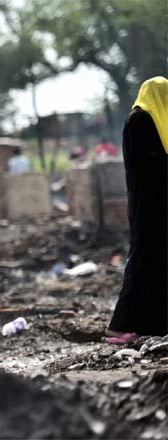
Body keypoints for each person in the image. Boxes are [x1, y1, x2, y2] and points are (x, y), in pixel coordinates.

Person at [106, 76, 167, 342]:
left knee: (159, 262)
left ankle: (154, 324)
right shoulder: (139, 120)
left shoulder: (157, 121)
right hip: (148, 204)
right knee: (143, 259)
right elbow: (150, 165)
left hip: (160, 202)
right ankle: (119, 325)